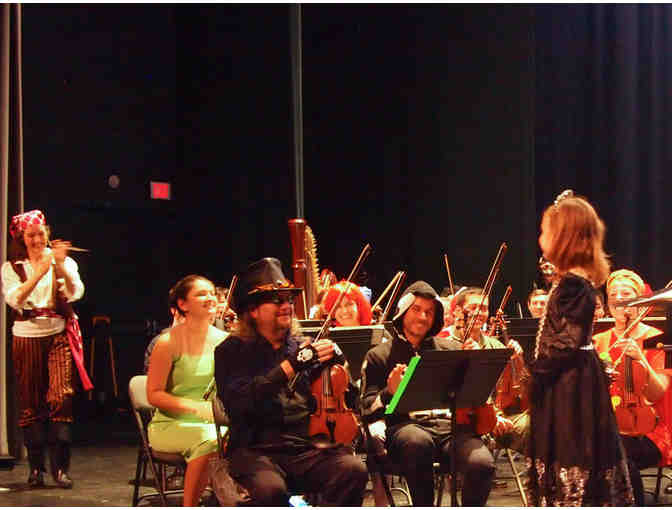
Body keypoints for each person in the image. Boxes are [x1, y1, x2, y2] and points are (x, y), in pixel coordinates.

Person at [214, 257, 368, 506]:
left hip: (303, 447)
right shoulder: (230, 351)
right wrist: (290, 366)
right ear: (253, 310)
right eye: (277, 300)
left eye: (288, 299)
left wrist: (341, 368)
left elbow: (348, 399)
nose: (286, 305)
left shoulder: (301, 346)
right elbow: (239, 405)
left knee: (352, 470)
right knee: (271, 490)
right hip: (254, 450)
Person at [527, 189, 633, 506]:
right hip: (573, 381)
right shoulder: (572, 283)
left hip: (570, 389)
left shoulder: (572, 287)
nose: (540, 237)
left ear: (564, 238)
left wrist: (534, 374)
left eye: (545, 231)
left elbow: (563, 345)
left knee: (573, 455)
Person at [360, 280, 496, 506]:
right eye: (416, 309)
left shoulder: (450, 349)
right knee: (417, 442)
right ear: (403, 311)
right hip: (406, 429)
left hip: (451, 430)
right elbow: (365, 409)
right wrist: (388, 392)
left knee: (482, 463)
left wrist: (475, 365)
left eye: (429, 312)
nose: (423, 317)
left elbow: (476, 394)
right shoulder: (379, 355)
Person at [1, 210, 87, 489]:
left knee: (62, 397)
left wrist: (60, 267)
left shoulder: (63, 261)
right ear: (22, 238)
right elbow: (14, 299)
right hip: (26, 335)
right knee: (30, 402)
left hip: (57, 334)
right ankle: (36, 469)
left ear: (47, 234)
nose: (37, 240)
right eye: (31, 236)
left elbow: (75, 292)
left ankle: (60, 469)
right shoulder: (12, 268)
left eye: (41, 234)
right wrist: (38, 273)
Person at [146, 274, 228, 506]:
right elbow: (153, 394)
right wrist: (195, 408)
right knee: (211, 441)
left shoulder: (226, 341)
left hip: (215, 423)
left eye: (212, 293)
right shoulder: (167, 342)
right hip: (171, 424)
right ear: (182, 304)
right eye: (201, 294)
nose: (210, 298)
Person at [593, 269, 672, 506]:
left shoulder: (658, 339)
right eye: (613, 294)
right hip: (609, 426)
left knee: (617, 457)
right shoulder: (598, 341)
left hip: (652, 430)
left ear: (640, 302)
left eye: (626, 293)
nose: (619, 298)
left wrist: (641, 360)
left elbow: (658, 393)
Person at [448, 287, 529, 455]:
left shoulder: (495, 345)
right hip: (465, 423)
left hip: (498, 417)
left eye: (484, 308)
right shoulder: (446, 343)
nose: (480, 313)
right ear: (458, 311)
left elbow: (519, 388)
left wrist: (518, 361)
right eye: (474, 307)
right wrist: (492, 418)